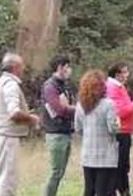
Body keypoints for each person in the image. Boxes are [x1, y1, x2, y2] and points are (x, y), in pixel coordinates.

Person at [0, 52, 39, 196]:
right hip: (7, 137)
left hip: (0, 134)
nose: (23, 69)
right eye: (22, 65)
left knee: (0, 178)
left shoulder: (0, 82)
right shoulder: (11, 84)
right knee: (7, 179)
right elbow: (14, 113)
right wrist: (31, 119)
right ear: (16, 67)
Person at [106, 62, 133, 196]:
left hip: (125, 131)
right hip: (120, 133)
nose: (127, 75)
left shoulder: (118, 87)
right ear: (117, 74)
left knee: (123, 166)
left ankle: (124, 191)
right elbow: (119, 112)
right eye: (125, 72)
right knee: (120, 167)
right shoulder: (113, 88)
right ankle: (119, 192)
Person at [75, 69, 122, 196]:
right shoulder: (108, 104)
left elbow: (78, 128)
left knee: (89, 190)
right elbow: (113, 129)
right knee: (105, 191)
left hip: (88, 155)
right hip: (106, 156)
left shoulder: (80, 105)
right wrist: (118, 122)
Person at [41, 55, 78, 196]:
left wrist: (72, 109)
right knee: (56, 171)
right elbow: (60, 109)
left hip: (66, 132)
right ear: (60, 68)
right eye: (67, 66)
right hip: (56, 134)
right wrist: (80, 110)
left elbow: (67, 107)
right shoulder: (50, 86)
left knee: (61, 172)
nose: (70, 70)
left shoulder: (64, 86)